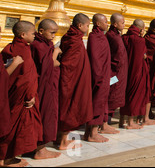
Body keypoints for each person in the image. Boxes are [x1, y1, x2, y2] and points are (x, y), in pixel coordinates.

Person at [0, 21, 42, 167]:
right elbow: (25, 78)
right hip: (19, 97)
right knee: (10, 128)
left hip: (14, 95)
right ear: (23, 35)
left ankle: (8, 157)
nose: (35, 36)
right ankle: (5, 159)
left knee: (13, 128)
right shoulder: (22, 50)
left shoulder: (11, 47)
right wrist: (30, 96)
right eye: (32, 33)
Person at [57, 13, 93, 150]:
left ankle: (59, 138)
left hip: (72, 78)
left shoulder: (69, 37)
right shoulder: (75, 41)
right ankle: (62, 142)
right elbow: (69, 64)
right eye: (87, 25)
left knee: (66, 107)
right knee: (69, 108)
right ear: (80, 25)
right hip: (71, 80)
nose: (88, 28)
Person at [30, 19, 61, 159]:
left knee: (46, 115)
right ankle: (40, 150)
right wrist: (55, 54)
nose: (54, 36)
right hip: (41, 87)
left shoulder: (45, 44)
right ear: (41, 31)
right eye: (52, 32)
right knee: (43, 115)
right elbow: (47, 66)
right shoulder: (39, 46)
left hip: (47, 85)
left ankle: (36, 147)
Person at [85, 14, 112, 143]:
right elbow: (96, 59)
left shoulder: (101, 36)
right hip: (99, 76)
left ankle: (88, 133)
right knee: (97, 103)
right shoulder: (95, 37)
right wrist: (99, 77)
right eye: (105, 22)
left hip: (104, 75)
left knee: (99, 102)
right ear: (98, 24)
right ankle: (93, 133)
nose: (107, 24)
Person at [121, 19, 152, 128]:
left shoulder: (124, 37)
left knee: (125, 95)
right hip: (137, 72)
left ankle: (122, 121)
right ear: (141, 29)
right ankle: (130, 122)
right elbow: (142, 56)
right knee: (134, 96)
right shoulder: (139, 40)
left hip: (125, 72)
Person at [105, 13, 128, 132]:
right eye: (122, 22)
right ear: (115, 24)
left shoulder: (117, 36)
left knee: (115, 94)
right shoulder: (111, 36)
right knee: (110, 94)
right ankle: (105, 122)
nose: (124, 25)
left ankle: (108, 120)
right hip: (113, 74)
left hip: (119, 74)